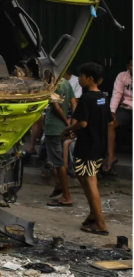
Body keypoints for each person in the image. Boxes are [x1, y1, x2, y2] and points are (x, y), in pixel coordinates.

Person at [61, 62, 115, 236]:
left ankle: (100, 224)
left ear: (90, 78)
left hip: (87, 146)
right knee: (85, 177)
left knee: (89, 180)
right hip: (99, 145)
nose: (80, 79)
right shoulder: (103, 97)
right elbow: (109, 121)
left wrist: (67, 130)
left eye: (82, 76)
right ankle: (93, 214)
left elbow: (82, 123)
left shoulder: (86, 98)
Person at [44, 73, 76, 207]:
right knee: (61, 160)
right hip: (64, 128)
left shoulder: (52, 85)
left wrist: (67, 123)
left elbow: (56, 108)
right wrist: (71, 123)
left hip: (54, 127)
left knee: (58, 163)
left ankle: (66, 195)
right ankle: (59, 185)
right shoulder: (66, 82)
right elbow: (74, 103)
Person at [111, 59, 132, 159]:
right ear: (128, 66)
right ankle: (110, 156)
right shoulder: (122, 76)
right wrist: (112, 111)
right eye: (132, 65)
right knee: (110, 124)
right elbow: (117, 94)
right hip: (125, 108)